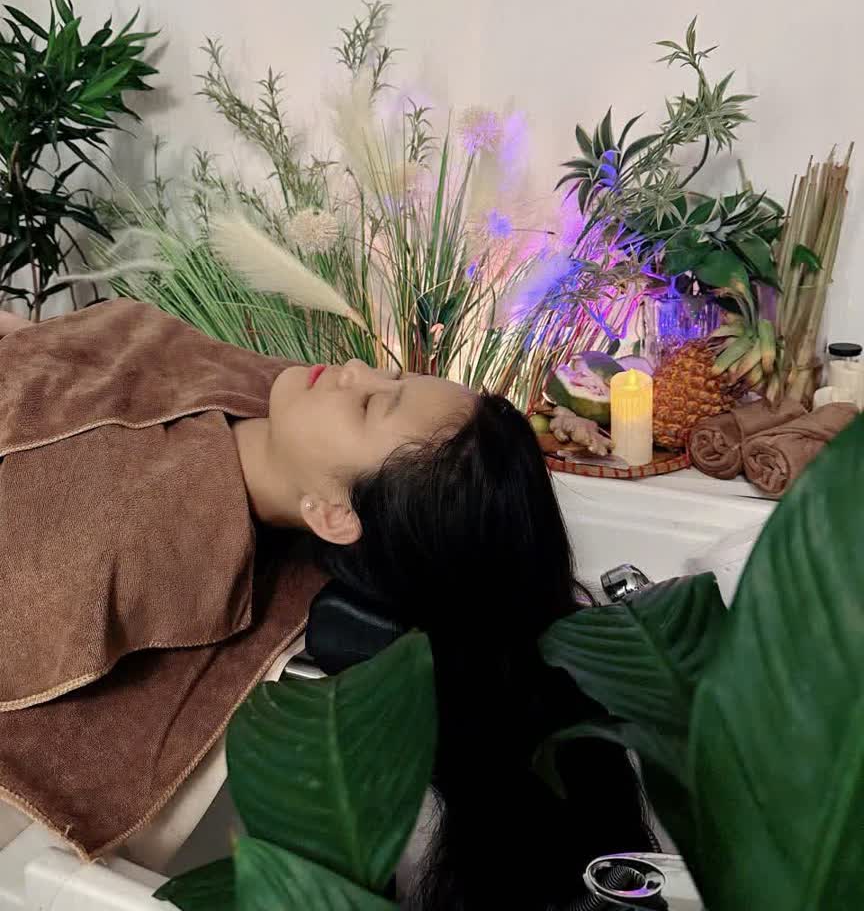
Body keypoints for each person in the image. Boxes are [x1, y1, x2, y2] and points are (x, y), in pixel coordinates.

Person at [2, 306, 651, 908]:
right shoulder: (282, 401)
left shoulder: (130, 545)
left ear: (334, 515)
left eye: (370, 403)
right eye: (392, 376)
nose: (354, 368)